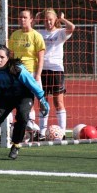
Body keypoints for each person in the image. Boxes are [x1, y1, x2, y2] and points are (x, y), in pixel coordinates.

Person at [0, 44, 49, 159]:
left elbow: (32, 83)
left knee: (22, 116)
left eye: (2, 57)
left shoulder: (17, 68)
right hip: (4, 97)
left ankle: (16, 145)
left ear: (7, 58)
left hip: (23, 96)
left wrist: (42, 99)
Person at [34, 8, 75, 140]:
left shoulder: (61, 33)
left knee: (59, 102)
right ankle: (42, 132)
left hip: (57, 70)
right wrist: (35, 20)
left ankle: (62, 132)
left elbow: (72, 27)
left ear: (55, 20)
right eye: (46, 20)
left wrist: (62, 20)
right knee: (42, 101)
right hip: (41, 70)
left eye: (50, 19)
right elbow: (28, 30)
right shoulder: (39, 33)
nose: (48, 22)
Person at [8, 9, 46, 133]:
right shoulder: (15, 35)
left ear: (31, 20)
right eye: (20, 17)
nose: (22, 19)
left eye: (25, 17)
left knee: (35, 99)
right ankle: (14, 126)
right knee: (17, 99)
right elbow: (11, 56)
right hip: (17, 73)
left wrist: (38, 75)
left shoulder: (36, 36)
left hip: (31, 72)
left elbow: (41, 58)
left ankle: (40, 128)